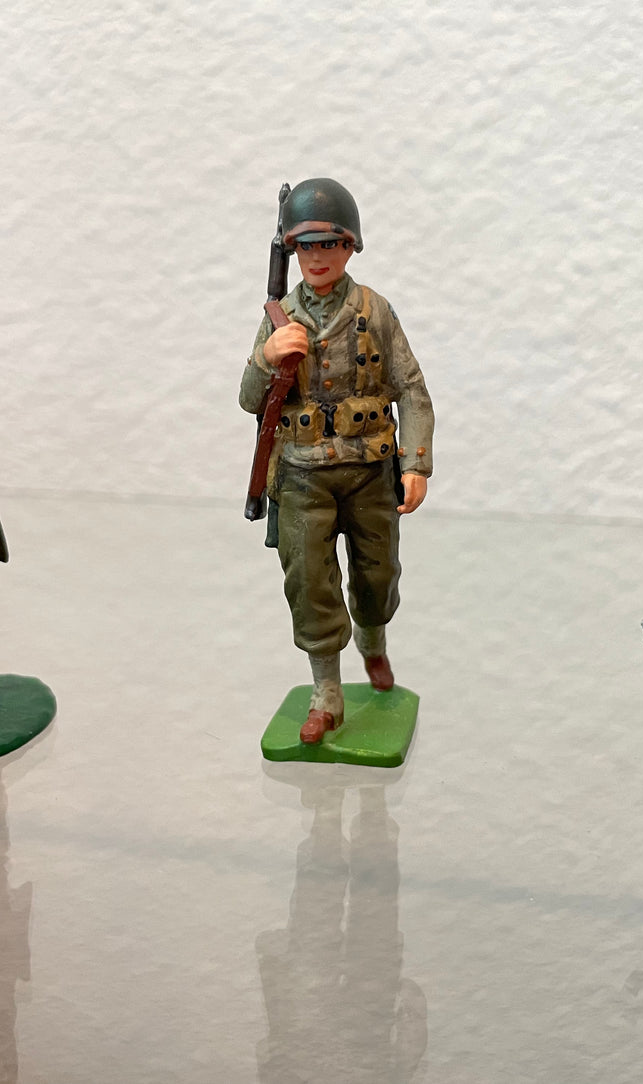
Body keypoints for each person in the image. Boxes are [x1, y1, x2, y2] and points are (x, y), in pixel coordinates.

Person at [240, 178, 434, 744]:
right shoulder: (279, 317)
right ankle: (326, 690)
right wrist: (268, 356)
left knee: (377, 574)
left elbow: (411, 388)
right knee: (308, 581)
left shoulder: (375, 310)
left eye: (329, 244)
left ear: (350, 247)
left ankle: (373, 643)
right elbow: (249, 400)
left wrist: (415, 462)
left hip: (370, 470)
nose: (317, 257)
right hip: (302, 473)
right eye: (305, 246)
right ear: (292, 251)